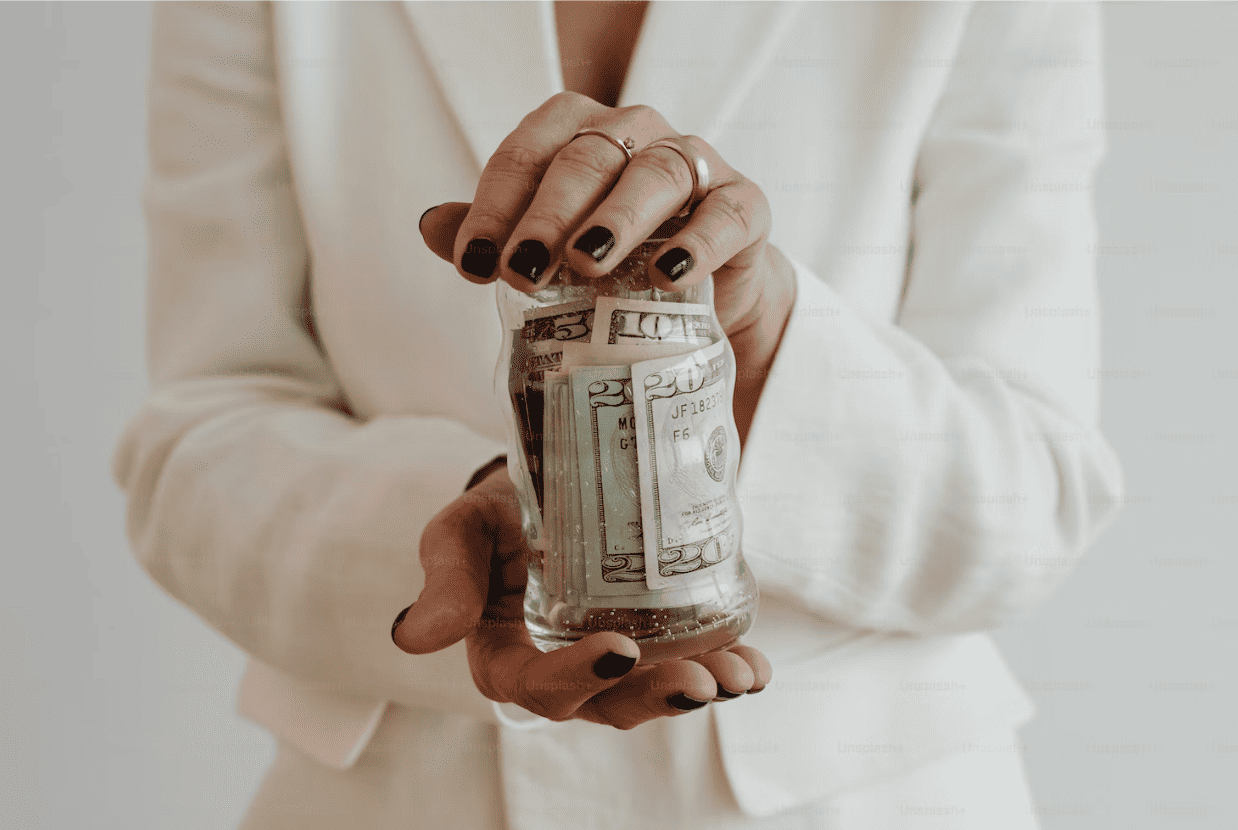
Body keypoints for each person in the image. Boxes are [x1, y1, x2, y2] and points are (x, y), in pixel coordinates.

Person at [113, 2, 1125, 828]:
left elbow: (1031, 492)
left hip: (855, 794)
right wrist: (482, 516)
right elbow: (200, 437)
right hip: (397, 798)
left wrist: (768, 349)